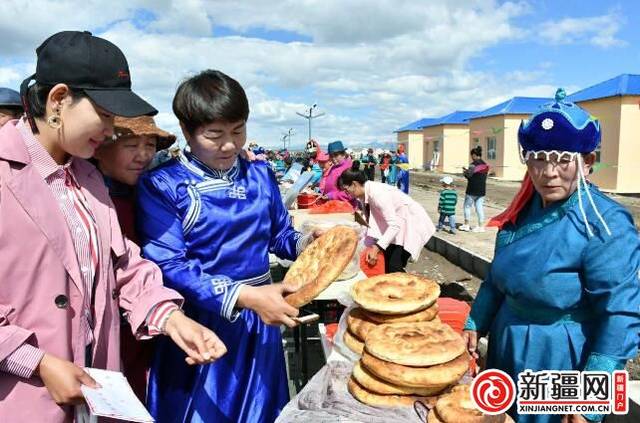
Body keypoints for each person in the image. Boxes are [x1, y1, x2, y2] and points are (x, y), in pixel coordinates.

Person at [0, 31, 225, 422]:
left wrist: (171, 318)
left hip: (95, 395)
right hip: (22, 399)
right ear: (58, 100)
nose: (111, 129)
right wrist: (35, 362)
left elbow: (122, 265)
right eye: (104, 115)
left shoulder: (86, 177)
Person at [137, 70, 315, 423]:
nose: (230, 145)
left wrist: (309, 243)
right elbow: (169, 265)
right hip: (199, 322)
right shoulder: (165, 185)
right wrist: (246, 297)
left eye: (238, 131)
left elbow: (280, 236)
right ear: (187, 131)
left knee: (261, 410)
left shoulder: (259, 175)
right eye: (214, 135)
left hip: (260, 323)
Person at [462, 90, 640, 423]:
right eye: (539, 158)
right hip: (507, 345)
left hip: (561, 357)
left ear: (587, 162)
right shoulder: (522, 211)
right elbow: (498, 278)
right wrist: (476, 321)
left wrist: (591, 399)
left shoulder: (604, 223)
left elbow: (621, 312)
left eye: (562, 159)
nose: (548, 172)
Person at [93, 115, 176, 402]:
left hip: (150, 321)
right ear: (100, 147)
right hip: (108, 336)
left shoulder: (147, 193)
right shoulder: (90, 201)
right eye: (131, 145)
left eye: (150, 144)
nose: (143, 155)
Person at [339, 161, 435, 273]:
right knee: (386, 259)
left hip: (411, 222)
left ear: (354, 184)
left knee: (394, 266)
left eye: (346, 190)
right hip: (396, 223)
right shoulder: (363, 194)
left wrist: (376, 247)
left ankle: (411, 288)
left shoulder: (378, 194)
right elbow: (370, 221)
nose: (346, 194)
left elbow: (394, 226)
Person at [320, 140, 358, 208]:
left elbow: (351, 193)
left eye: (336, 155)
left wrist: (331, 196)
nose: (333, 158)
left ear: (343, 154)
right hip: (333, 206)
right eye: (331, 156)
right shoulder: (333, 167)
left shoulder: (348, 168)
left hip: (345, 207)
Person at [459, 145, 489, 232]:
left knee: (467, 207)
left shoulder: (472, 165)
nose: (471, 157)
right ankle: (481, 226)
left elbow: (469, 176)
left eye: (471, 155)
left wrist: (465, 172)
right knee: (479, 207)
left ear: (474, 155)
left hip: (472, 190)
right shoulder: (485, 165)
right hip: (482, 190)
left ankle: (466, 225)